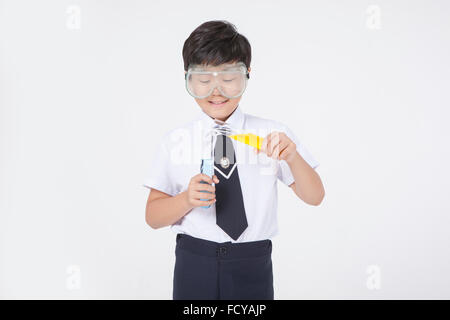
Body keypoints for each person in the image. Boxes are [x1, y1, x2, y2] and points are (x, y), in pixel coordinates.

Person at [143, 20, 325, 300]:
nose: (217, 91)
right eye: (204, 80)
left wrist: (293, 156)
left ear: (247, 74)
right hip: (194, 261)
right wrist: (185, 200)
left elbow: (315, 196)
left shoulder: (273, 134)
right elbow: (152, 217)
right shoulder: (175, 141)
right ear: (188, 79)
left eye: (228, 79)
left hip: (253, 263)